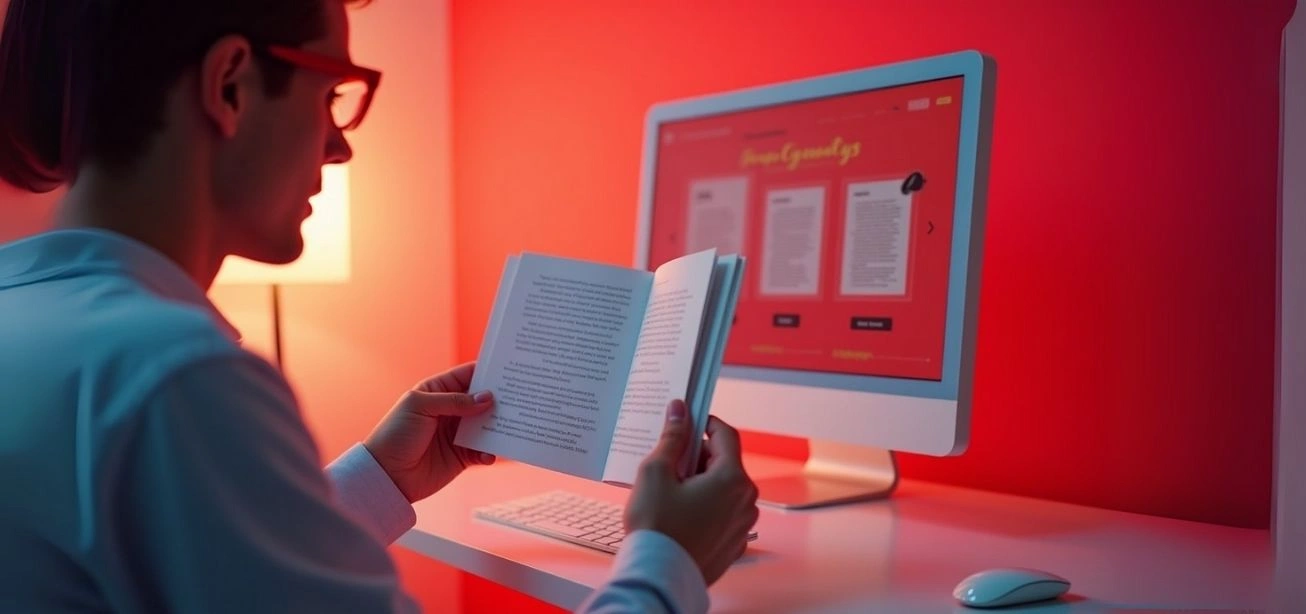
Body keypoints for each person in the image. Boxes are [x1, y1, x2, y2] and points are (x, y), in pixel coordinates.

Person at [0, 0, 760, 612]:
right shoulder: (174, 378)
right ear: (229, 84)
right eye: (330, 92)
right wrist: (670, 560)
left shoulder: (32, 324)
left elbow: (193, 559)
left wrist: (377, 478)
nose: (339, 146)